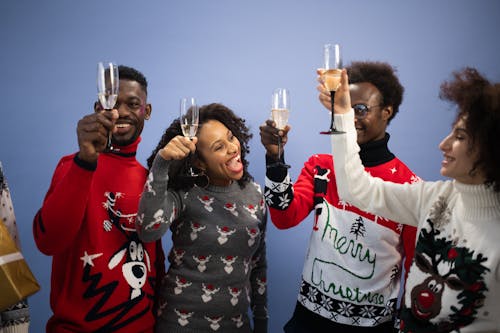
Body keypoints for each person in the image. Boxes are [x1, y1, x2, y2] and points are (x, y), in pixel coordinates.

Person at [330, 67, 500, 332]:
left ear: (491, 147)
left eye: (460, 137)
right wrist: (341, 115)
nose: (443, 145)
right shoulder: (433, 197)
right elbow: (355, 189)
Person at [260, 61, 420, 332]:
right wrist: (275, 159)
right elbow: (284, 217)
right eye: (343, 106)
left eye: (359, 109)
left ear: (386, 112)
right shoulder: (321, 167)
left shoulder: (410, 188)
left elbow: (416, 270)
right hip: (306, 323)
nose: (350, 116)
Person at [33, 65, 164, 333]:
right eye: (113, 104)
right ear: (99, 109)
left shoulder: (151, 179)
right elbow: (48, 242)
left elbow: (156, 259)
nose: (122, 112)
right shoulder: (72, 166)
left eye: (133, 103)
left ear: (146, 111)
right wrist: (85, 163)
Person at [136, 103, 268, 332]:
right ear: (199, 162)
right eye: (219, 147)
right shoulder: (184, 194)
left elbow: (258, 265)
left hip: (237, 326)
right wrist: (161, 164)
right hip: (179, 324)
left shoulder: (255, 193)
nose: (232, 148)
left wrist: (261, 322)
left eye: (231, 137)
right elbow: (148, 230)